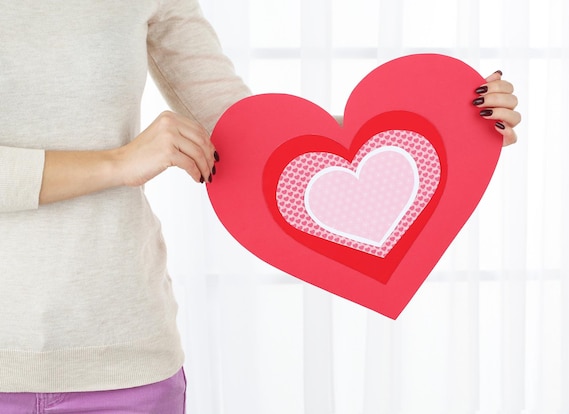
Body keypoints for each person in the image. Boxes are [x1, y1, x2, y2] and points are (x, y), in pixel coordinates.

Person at [0, 1, 520, 413]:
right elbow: (129, 160)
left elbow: (256, 142)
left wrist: (449, 129)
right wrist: (118, 163)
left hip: (129, 361)